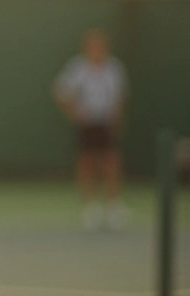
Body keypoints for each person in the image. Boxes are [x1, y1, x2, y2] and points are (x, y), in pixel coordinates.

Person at [53, 29, 130, 231]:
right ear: (86, 48)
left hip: (106, 123)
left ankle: (113, 206)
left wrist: (116, 119)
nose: (97, 50)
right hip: (86, 124)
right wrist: (75, 114)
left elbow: (120, 97)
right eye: (93, 46)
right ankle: (90, 208)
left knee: (111, 161)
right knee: (86, 162)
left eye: (100, 46)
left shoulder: (114, 68)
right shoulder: (77, 67)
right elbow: (60, 92)